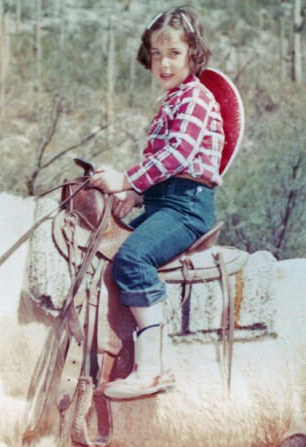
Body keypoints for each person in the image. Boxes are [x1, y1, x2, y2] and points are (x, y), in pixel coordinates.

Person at [88, 7, 224, 399]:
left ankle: (152, 369)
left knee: (133, 259)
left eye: (174, 53)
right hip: (165, 201)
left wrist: (127, 178)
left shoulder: (196, 99)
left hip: (187, 207)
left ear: (194, 54)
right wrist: (135, 194)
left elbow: (180, 154)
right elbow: (163, 165)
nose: (163, 63)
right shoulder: (172, 100)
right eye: (157, 53)